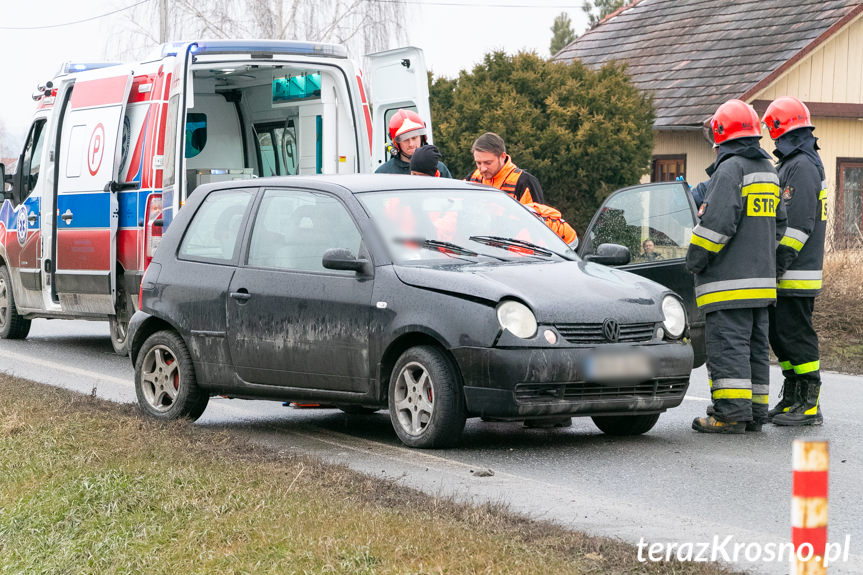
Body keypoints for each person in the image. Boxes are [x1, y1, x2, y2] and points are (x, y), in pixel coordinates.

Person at [687, 99, 786, 434]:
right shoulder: (769, 171)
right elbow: (780, 225)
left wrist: (694, 260)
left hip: (728, 284)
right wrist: (758, 252)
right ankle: (755, 413)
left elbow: (716, 226)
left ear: (720, 133)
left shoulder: (730, 170)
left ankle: (729, 415)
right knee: (756, 351)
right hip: (761, 285)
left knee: (729, 348)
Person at [762, 97, 827, 426]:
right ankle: (793, 397)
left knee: (796, 336)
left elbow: (798, 227)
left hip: (796, 273)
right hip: (791, 272)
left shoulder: (800, 164)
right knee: (781, 336)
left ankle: (809, 402)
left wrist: (774, 268)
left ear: (777, 127)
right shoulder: (796, 160)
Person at [465, 132, 545, 204]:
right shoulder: (472, 178)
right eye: (478, 163)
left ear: (502, 156)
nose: (482, 169)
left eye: (488, 163)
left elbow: (536, 218)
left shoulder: (524, 182)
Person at [376, 110, 452, 177]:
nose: (411, 144)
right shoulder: (383, 174)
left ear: (422, 137)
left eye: (414, 138)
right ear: (396, 143)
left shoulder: (439, 168)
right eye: (405, 140)